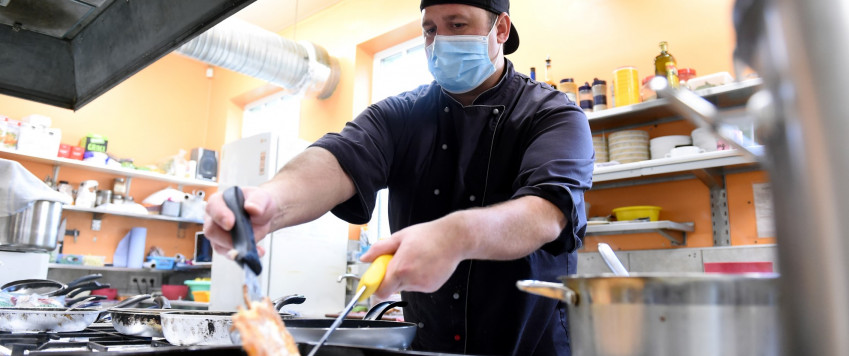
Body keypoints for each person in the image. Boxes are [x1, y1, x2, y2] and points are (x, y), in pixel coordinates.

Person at [203, 0, 594, 354]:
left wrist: (456, 236)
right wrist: (272, 201)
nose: (439, 41)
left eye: (457, 25)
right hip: (426, 345)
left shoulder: (554, 114)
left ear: (502, 30)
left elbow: (547, 211)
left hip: (531, 345)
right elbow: (338, 159)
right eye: (430, 29)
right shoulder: (402, 116)